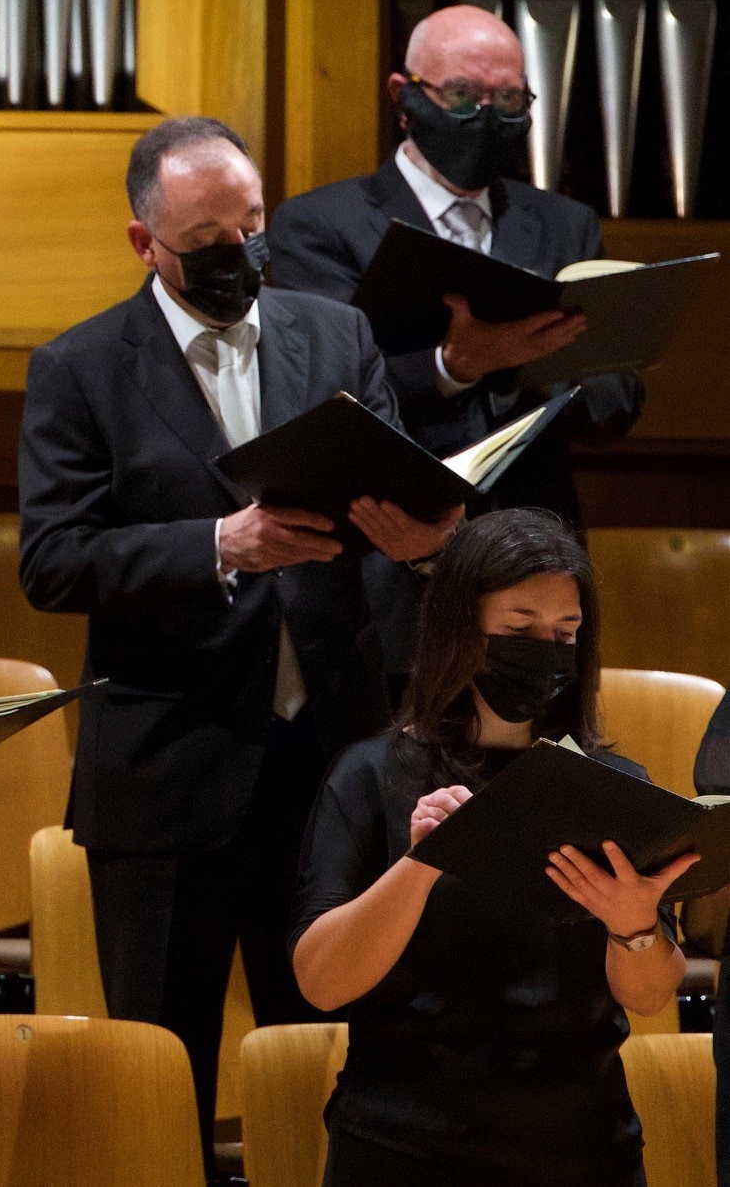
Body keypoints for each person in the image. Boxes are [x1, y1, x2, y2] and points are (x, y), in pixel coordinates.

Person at [16, 115, 461, 1149]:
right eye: (209, 239)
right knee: (160, 1073)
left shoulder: (334, 334)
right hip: (170, 769)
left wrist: (423, 537)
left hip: (328, 765)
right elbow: (51, 561)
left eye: (251, 226)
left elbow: (393, 490)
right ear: (144, 244)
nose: (238, 254)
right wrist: (218, 543)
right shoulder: (78, 366)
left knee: (328, 1061)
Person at [292, 508, 687, 1187]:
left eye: (565, 632)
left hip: (582, 1150)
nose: (546, 647)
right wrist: (419, 866)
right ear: (460, 629)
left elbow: (651, 997)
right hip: (404, 1148)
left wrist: (635, 928)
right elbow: (321, 983)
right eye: (518, 628)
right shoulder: (373, 776)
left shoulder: (613, 789)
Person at [268, 4, 642, 529]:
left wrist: (518, 368)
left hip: (531, 535)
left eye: (509, 99)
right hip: (385, 540)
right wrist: (452, 367)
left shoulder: (566, 226)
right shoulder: (319, 226)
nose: (488, 117)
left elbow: (614, 400)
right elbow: (324, 401)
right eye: (462, 96)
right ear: (404, 96)